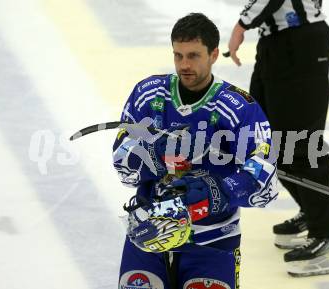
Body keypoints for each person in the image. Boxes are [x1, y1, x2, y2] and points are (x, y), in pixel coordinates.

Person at [112, 13, 278, 289]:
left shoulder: (239, 108)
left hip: (213, 239)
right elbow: (123, 167)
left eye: (193, 56)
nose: (184, 65)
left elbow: (267, 185)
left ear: (214, 54)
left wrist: (220, 190)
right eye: (178, 56)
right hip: (148, 230)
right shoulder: (148, 94)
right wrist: (151, 154)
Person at [227, 0, 329, 277]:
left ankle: (326, 236)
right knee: (266, 140)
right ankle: (311, 210)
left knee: (302, 142)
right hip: (276, 43)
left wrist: (242, 24)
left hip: (300, 42)